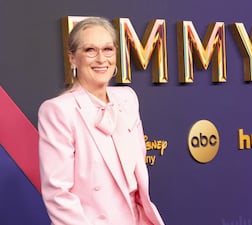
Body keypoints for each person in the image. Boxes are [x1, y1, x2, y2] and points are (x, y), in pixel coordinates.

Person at [38, 17, 165, 225]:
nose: (101, 59)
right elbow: (58, 194)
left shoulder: (127, 99)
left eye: (108, 49)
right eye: (90, 50)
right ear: (72, 58)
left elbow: (137, 172)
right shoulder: (58, 111)